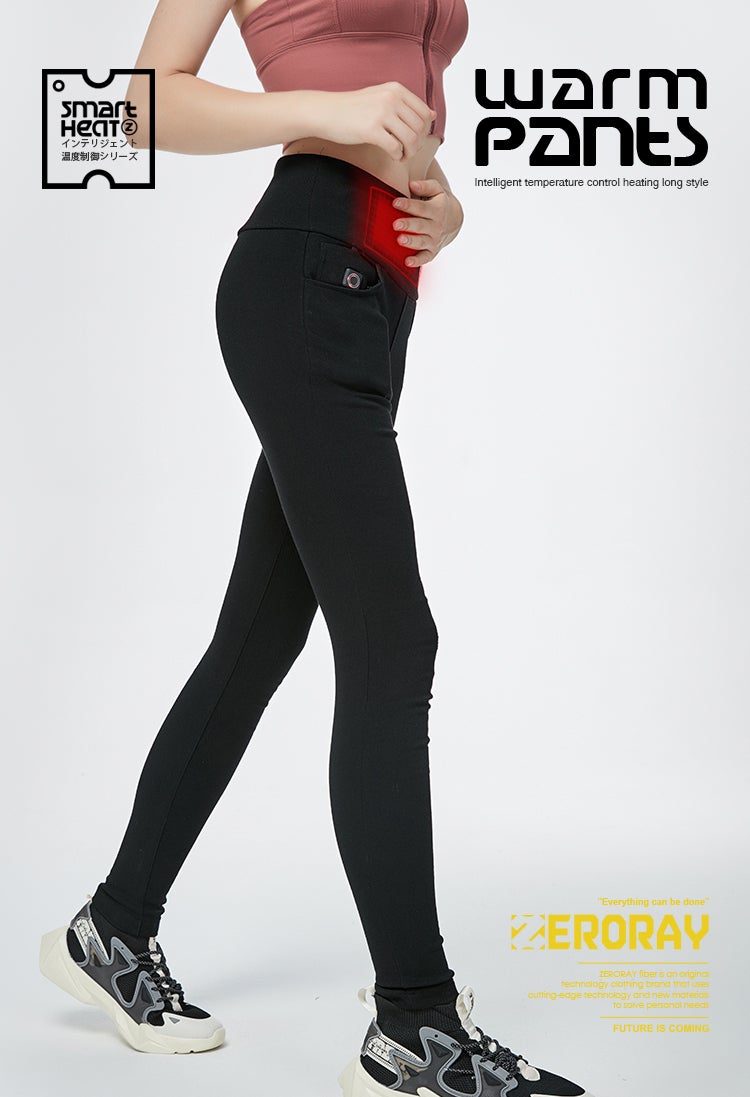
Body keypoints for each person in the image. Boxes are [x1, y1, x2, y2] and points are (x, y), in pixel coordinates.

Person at [40, 2, 594, 1094]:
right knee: (393, 640)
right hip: (301, 275)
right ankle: (415, 1027)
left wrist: (440, 202)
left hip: (376, 284)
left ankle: (113, 926)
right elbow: (131, 109)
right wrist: (326, 113)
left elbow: (399, 96)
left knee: (260, 636)